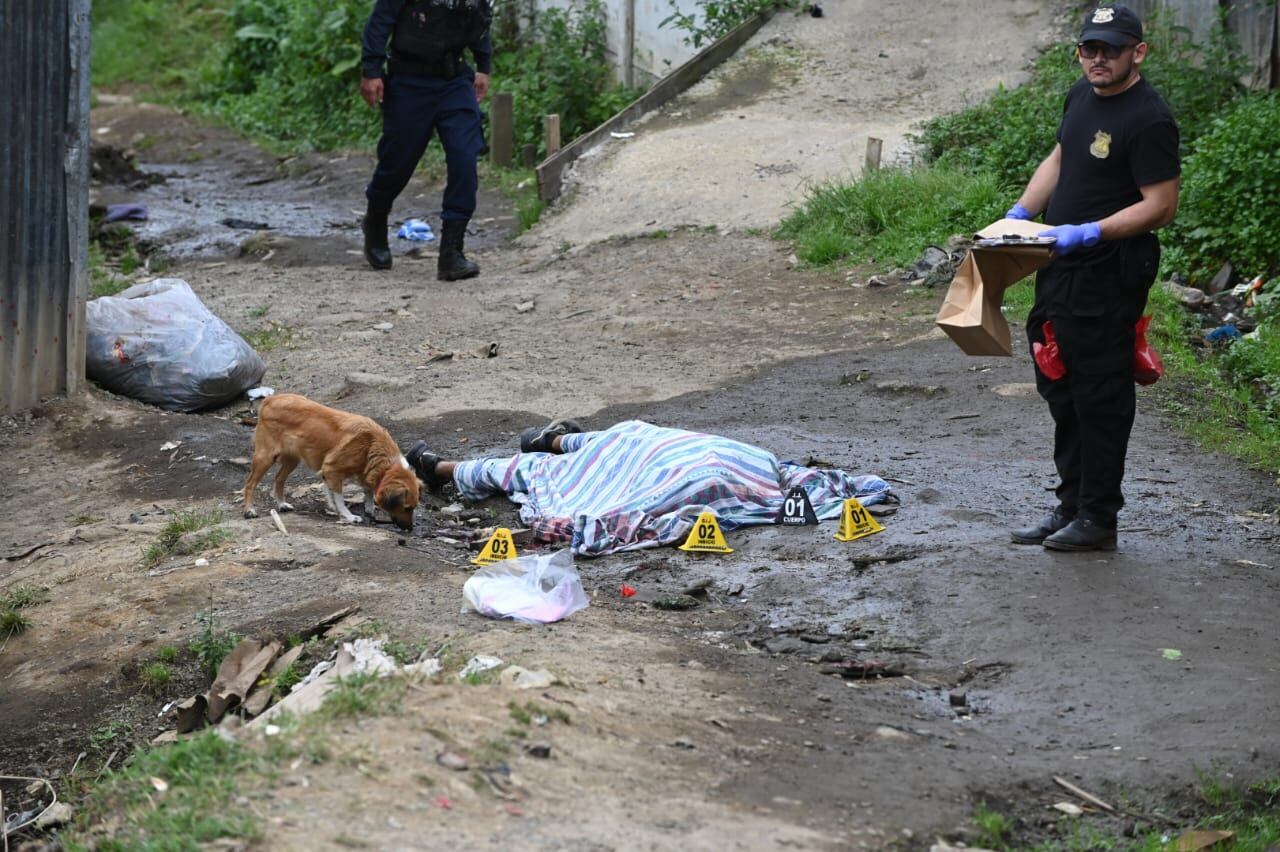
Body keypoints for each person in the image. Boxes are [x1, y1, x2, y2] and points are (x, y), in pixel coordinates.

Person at [1005, 4, 1180, 552]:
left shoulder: (1149, 118)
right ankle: (1071, 505)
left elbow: (1161, 205)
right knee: (1058, 381)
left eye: (1111, 48)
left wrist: (1090, 232)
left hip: (1108, 271)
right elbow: (1060, 157)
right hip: (1059, 263)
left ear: (1138, 52)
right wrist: (1021, 213)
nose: (1098, 58)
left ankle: (1100, 516)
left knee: (1100, 391)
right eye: (1090, 48)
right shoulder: (1081, 96)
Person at [404, 419, 893, 557]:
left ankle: (442, 469)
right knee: (630, 435)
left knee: (539, 471)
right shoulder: (771, 475)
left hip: (684, 471)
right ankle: (555, 437)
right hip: (726, 460)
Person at [359, 0, 492, 280]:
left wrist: (483, 64)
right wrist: (371, 70)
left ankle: (451, 253)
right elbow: (380, 21)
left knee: (464, 155)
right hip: (409, 81)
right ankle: (375, 219)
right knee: (398, 161)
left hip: (454, 81)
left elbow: (480, 18)